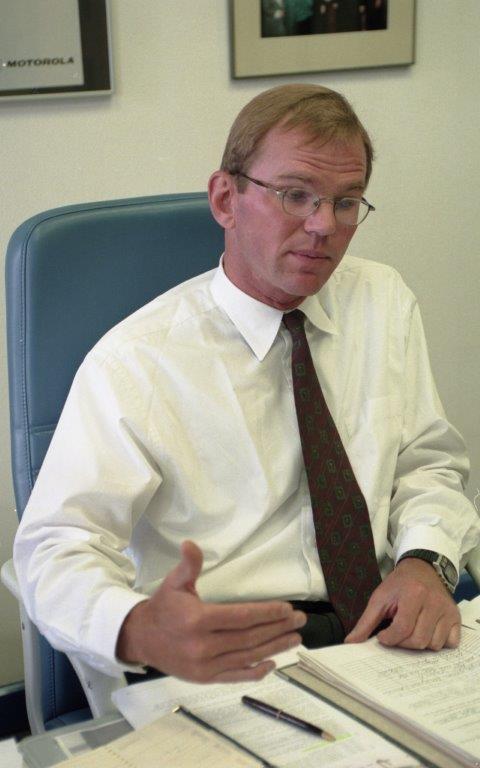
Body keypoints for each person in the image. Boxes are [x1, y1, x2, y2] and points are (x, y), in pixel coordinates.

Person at [14, 84, 480, 686]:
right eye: (295, 195)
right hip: (228, 648)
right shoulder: (136, 362)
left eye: (346, 202)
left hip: (383, 628)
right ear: (225, 199)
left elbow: (426, 464)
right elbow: (56, 546)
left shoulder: (382, 301)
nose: (323, 225)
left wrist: (425, 562)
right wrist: (138, 627)